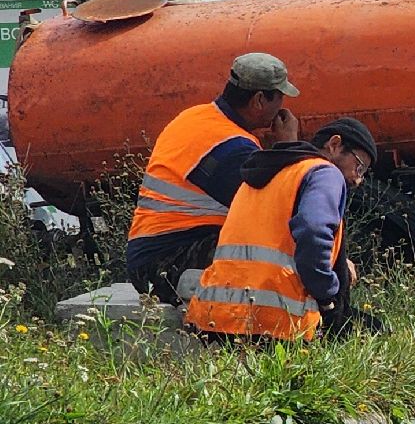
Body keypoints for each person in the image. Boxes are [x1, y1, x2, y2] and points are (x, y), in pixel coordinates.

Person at [126, 53, 302, 303]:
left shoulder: (195, 116)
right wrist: (289, 147)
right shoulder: (232, 147)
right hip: (169, 260)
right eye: (280, 98)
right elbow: (276, 209)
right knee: (279, 255)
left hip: (151, 254)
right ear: (259, 100)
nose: (283, 107)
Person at [184, 118, 376, 341]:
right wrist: (327, 293)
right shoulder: (325, 173)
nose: (358, 180)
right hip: (275, 321)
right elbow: (313, 232)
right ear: (334, 145)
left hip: (216, 316)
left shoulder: (264, 175)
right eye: (359, 167)